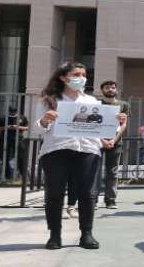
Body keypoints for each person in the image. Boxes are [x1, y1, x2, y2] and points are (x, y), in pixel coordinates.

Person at [34, 62, 126, 250]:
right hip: (56, 150)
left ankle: (86, 234)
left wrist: (116, 123)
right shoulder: (49, 100)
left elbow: (103, 129)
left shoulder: (92, 102)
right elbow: (38, 128)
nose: (81, 78)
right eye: (76, 74)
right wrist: (44, 120)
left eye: (84, 74)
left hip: (87, 150)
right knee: (54, 193)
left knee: (88, 193)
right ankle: (54, 235)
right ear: (63, 77)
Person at [98, 80, 129, 209]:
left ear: (116, 90)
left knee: (112, 172)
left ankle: (110, 200)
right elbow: (92, 125)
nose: (110, 89)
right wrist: (101, 140)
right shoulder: (96, 104)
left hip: (115, 142)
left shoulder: (124, 105)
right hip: (96, 142)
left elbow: (124, 124)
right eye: (107, 87)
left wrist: (114, 140)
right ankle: (92, 199)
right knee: (94, 171)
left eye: (113, 87)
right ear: (102, 90)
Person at [0, 106, 29, 181]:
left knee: (21, 157)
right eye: (11, 113)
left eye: (14, 114)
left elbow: (27, 128)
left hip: (18, 138)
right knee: (4, 157)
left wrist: (17, 127)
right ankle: (8, 177)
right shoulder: (3, 118)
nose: (12, 115)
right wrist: (6, 127)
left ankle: (24, 176)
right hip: (5, 138)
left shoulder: (22, 117)